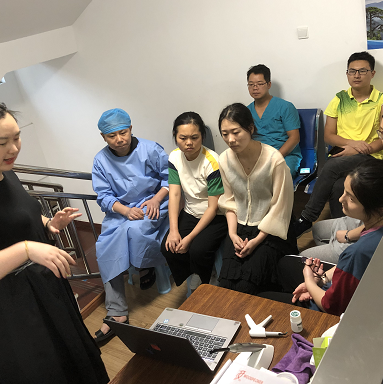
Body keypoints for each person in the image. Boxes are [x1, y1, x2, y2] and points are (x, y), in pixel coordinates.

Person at [0, 98, 109, 384]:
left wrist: (48, 224)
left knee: (75, 364)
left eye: (17, 137)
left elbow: (13, 216)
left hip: (45, 290)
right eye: (2, 142)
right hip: (15, 308)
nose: (14, 148)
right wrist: (26, 249)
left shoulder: (2, 171)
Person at [261, 159, 383, 316]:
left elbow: (330, 306)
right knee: (285, 264)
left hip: (331, 311)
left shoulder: (357, 252)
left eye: (351, 198)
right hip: (354, 291)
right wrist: (322, 279)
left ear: (379, 208)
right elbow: (348, 269)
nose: (341, 199)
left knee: (263, 298)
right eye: (344, 192)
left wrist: (309, 281)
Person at [302, 103, 383, 263]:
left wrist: (348, 236)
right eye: (382, 133)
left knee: (303, 258)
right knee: (317, 229)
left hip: (364, 232)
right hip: (358, 220)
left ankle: (344, 265)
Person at [292, 51, 383, 236]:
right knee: (339, 186)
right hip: (343, 154)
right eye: (352, 71)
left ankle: (306, 218)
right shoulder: (339, 99)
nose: (356, 75)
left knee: (331, 167)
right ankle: (342, 232)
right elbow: (328, 136)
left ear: (372, 73)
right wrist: (352, 144)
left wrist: (362, 150)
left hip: (370, 157)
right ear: (347, 74)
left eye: (362, 71)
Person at [92, 108, 169, 345]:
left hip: (152, 204)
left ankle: (146, 266)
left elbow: (170, 178)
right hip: (120, 211)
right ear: (103, 137)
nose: (119, 139)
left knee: (135, 231)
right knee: (105, 245)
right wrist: (125, 211)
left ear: (131, 129)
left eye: (123, 132)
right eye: (112, 135)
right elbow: (103, 196)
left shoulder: (151, 149)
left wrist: (155, 199)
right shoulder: (101, 160)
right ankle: (117, 311)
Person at [217, 103, 298, 295]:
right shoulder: (224, 159)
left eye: (236, 132)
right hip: (239, 226)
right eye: (225, 134)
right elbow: (229, 202)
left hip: (272, 229)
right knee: (226, 287)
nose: (230, 139)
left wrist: (256, 240)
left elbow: (281, 207)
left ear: (250, 128)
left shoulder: (274, 159)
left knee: (249, 287)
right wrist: (232, 234)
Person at [161, 112, 228, 287]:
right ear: (175, 137)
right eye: (183, 138)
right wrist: (173, 230)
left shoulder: (212, 162)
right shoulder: (174, 157)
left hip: (216, 216)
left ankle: (207, 276)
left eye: (194, 137)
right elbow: (174, 195)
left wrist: (189, 237)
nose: (189, 143)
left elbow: (213, 207)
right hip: (190, 212)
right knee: (168, 247)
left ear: (202, 137)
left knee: (199, 250)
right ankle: (193, 271)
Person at [246, 64, 302, 177]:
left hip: (284, 156)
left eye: (260, 84)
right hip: (257, 157)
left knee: (274, 176)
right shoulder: (246, 111)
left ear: (269, 84)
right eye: (251, 84)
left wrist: (274, 158)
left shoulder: (285, 107)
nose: (255, 88)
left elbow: (294, 138)